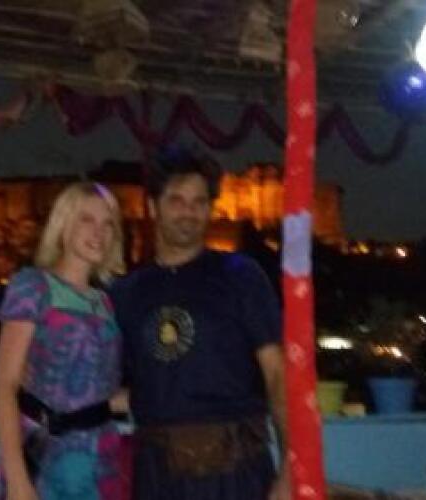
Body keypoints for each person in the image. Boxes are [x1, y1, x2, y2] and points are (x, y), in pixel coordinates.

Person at [109, 146, 290, 500]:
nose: (189, 212)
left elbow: (278, 374)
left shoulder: (241, 277)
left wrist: (289, 471)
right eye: (176, 201)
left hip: (236, 474)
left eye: (199, 202)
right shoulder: (126, 293)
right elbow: (118, 384)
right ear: (153, 207)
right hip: (157, 478)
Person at [0, 182, 127, 500]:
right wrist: (18, 481)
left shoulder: (105, 303)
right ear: (63, 225)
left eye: (108, 223)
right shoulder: (33, 287)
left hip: (99, 460)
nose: (99, 232)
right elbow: (4, 386)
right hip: (46, 458)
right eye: (87, 219)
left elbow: (97, 390)